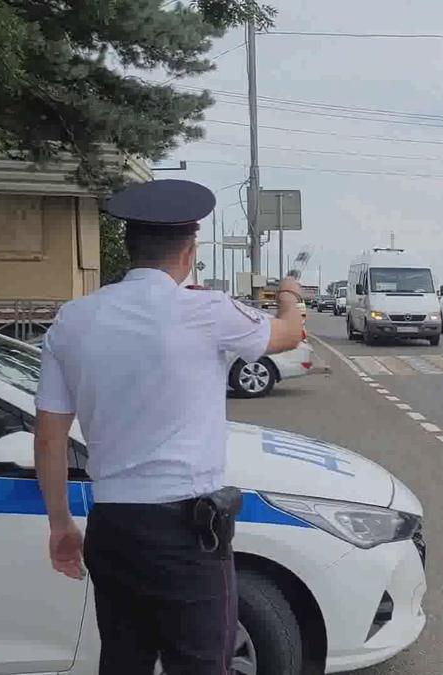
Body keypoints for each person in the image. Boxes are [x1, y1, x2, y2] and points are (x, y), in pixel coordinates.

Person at [32, 179, 305, 674]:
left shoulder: (73, 321)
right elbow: (288, 336)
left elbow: (49, 436)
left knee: (123, 660)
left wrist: (60, 525)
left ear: (130, 249)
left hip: (112, 527)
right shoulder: (205, 310)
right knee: (200, 663)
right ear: (190, 250)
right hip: (186, 532)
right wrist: (289, 296)